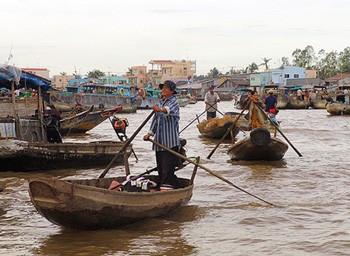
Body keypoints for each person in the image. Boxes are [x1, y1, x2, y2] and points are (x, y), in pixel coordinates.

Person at [143, 80, 182, 189]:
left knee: (168, 168)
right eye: (162, 88)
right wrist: (149, 134)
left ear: (172, 91)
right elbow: (155, 120)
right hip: (159, 141)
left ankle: (167, 187)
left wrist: (159, 110)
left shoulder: (174, 101)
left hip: (170, 142)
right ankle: (168, 185)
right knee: (160, 167)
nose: (163, 90)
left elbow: (167, 110)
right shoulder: (160, 102)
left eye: (165, 88)